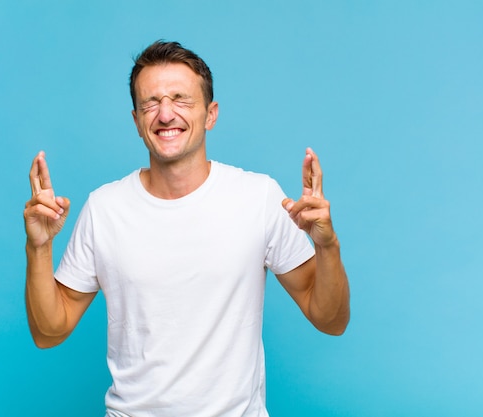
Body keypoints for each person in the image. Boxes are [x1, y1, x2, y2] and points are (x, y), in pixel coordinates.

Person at [23, 40, 349, 417]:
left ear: (211, 114)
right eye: (151, 102)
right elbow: (49, 332)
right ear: (136, 120)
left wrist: (328, 246)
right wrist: (39, 249)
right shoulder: (105, 208)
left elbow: (331, 320)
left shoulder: (258, 198)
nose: (165, 114)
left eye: (181, 99)